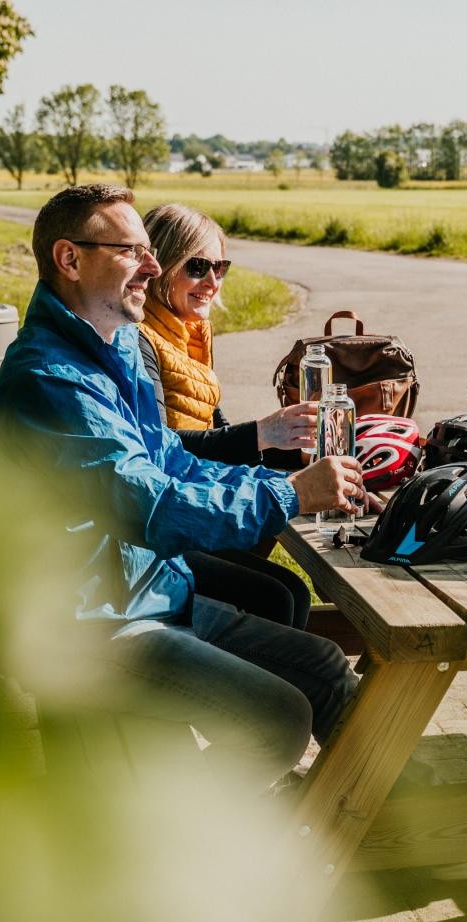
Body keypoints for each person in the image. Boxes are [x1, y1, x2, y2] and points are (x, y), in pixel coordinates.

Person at [0, 184, 364, 793]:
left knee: (318, 663)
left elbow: (175, 465)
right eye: (133, 251)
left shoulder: (117, 348)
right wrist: (289, 496)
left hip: (147, 592)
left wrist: (281, 482)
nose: (154, 266)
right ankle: (170, 838)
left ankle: (376, 815)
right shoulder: (52, 381)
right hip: (88, 623)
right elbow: (149, 504)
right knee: (277, 719)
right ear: (70, 259)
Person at [137, 202, 312, 629]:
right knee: (275, 596)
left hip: (197, 495)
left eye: (221, 266)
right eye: (198, 266)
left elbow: (217, 432)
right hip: (171, 513)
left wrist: (299, 455)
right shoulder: (141, 340)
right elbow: (162, 446)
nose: (213, 281)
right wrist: (263, 435)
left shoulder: (189, 332)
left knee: (290, 591)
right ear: (159, 265)